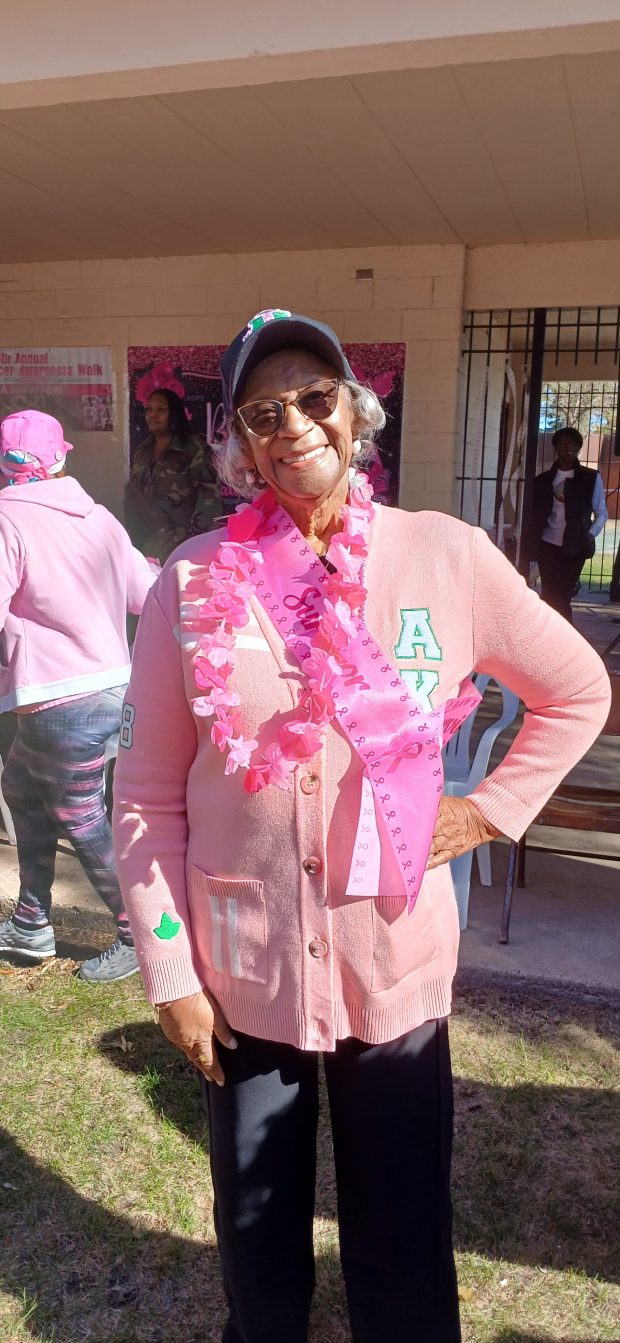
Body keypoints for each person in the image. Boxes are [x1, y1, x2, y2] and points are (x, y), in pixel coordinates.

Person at [113, 311, 610, 1343]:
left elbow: (573, 688)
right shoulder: (190, 580)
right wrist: (168, 970)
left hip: (392, 960)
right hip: (244, 972)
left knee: (400, 1236)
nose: (292, 423)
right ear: (239, 442)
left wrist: (487, 809)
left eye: (312, 396)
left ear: (355, 410)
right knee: (258, 1241)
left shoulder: (443, 552)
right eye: (263, 411)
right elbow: (147, 793)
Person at [0, 409, 157, 983]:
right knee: (19, 786)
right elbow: (147, 592)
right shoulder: (99, 518)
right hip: (113, 687)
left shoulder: (5, 520)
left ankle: (137, 932)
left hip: (55, 698)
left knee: (83, 818)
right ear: (62, 458)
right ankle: (32, 919)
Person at [124, 387, 226, 563]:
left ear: (174, 414)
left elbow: (209, 501)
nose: (153, 415)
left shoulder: (194, 449)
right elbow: (133, 497)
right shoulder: (141, 452)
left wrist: (194, 543)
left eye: (161, 410)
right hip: (146, 546)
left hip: (182, 548)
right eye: (149, 409)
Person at [529, 426, 608, 622]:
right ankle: (549, 640)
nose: (568, 446)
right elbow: (533, 513)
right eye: (563, 442)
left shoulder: (590, 478)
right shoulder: (543, 481)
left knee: (563, 597)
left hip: (574, 547)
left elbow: (601, 512)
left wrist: (589, 535)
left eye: (573, 442)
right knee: (548, 595)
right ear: (555, 447)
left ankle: (565, 643)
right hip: (547, 545)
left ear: (579, 447)